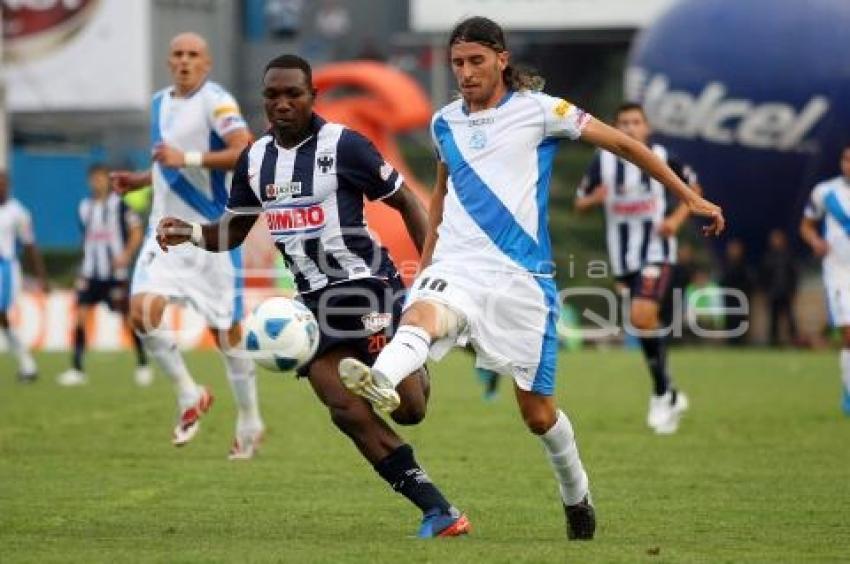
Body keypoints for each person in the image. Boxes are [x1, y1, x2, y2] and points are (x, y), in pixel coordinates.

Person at [338, 16, 724, 540]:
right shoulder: (444, 122)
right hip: (457, 265)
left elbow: (628, 147)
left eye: (477, 61)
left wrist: (689, 197)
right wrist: (426, 261)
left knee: (539, 416)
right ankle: (382, 379)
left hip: (520, 280)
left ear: (501, 58)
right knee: (421, 315)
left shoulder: (543, 112)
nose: (466, 72)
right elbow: (440, 193)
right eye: (458, 63)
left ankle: (577, 494)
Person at [156, 54, 470, 538]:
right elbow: (234, 231)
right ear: (263, 100)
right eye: (272, 96)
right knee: (344, 409)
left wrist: (431, 271)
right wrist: (192, 233)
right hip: (311, 303)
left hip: (367, 286)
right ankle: (438, 510)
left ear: (311, 97)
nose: (282, 104)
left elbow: (406, 200)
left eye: (292, 94)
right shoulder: (255, 160)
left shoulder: (345, 146)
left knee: (411, 411)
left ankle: (412, 361)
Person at [110, 32, 263, 459]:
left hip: (212, 235)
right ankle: (188, 394)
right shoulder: (160, 102)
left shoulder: (218, 102)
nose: (184, 61)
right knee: (140, 309)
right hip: (166, 234)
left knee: (226, 336)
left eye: (193, 54)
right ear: (168, 62)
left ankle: (249, 419)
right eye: (177, 54)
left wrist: (189, 159)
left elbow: (245, 151)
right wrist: (140, 179)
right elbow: (168, 162)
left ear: (207, 63)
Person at [575, 102, 701, 434]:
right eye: (623, 123)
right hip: (622, 258)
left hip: (657, 251)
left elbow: (694, 188)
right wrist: (594, 199)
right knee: (645, 323)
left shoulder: (662, 156)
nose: (630, 128)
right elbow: (579, 203)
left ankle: (661, 395)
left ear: (647, 128)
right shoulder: (602, 160)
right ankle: (670, 390)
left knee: (641, 317)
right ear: (614, 127)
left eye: (636, 122)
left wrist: (675, 219)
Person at [56, 164, 150, 387]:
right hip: (90, 273)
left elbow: (136, 232)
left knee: (128, 319)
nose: (97, 183)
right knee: (79, 316)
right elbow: (86, 238)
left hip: (115, 274)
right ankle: (77, 368)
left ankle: (142, 363)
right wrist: (82, 266)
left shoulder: (120, 206)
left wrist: (126, 254)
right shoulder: (84, 207)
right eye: (93, 179)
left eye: (100, 178)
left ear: (107, 181)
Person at [800, 142, 850, 415]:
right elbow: (806, 225)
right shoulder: (825, 192)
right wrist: (815, 241)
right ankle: (849, 393)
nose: (848, 165)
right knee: (848, 333)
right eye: (845, 159)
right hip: (840, 271)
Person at [0, 170, 48, 382]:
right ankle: (28, 365)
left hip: (5, 269)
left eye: (3, 183)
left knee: (2, 316)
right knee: (2, 321)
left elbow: (30, 246)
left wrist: (41, 277)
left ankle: (27, 364)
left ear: (8, 185)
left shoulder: (18, 212)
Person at [760, 229, 800, 347]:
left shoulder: (788, 256)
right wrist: (765, 291)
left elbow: (794, 275)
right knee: (773, 320)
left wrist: (792, 290)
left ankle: (795, 341)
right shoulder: (768, 257)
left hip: (786, 292)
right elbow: (763, 276)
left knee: (790, 319)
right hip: (773, 293)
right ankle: (773, 343)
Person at [719, 239, 755, 345]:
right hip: (729, 299)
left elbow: (748, 282)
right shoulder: (725, 265)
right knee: (729, 321)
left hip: (741, 299)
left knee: (741, 322)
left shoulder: (744, 266)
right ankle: (730, 343)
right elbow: (722, 281)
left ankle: (741, 342)